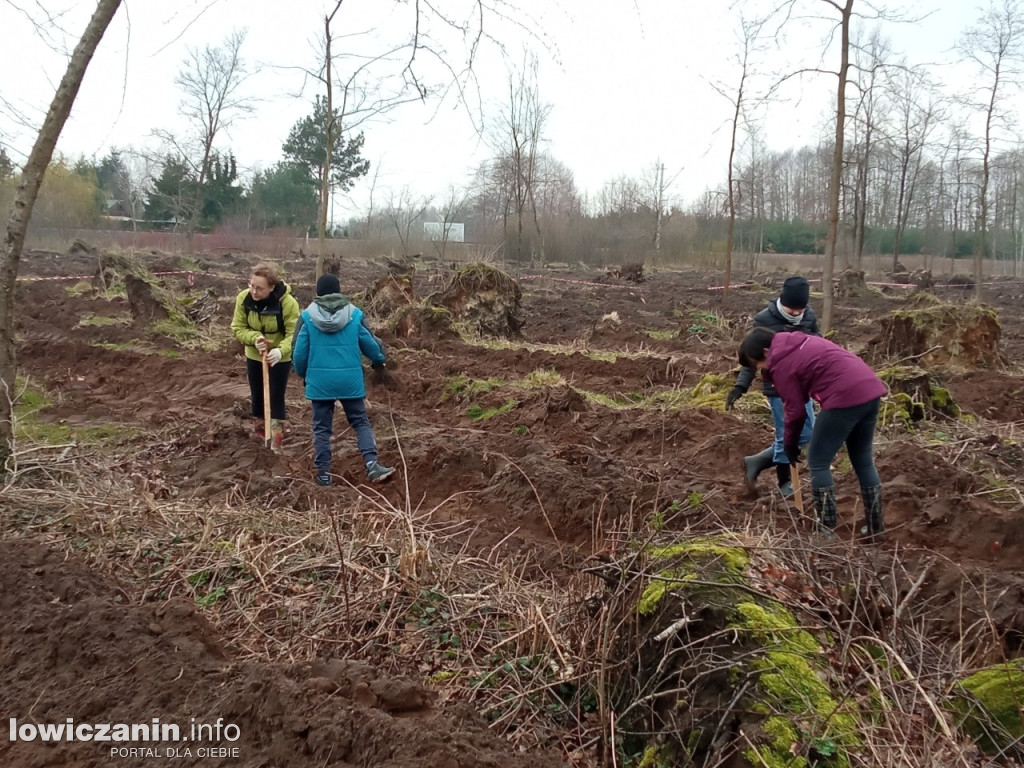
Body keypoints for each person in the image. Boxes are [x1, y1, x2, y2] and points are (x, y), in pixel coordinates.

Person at [737, 327, 889, 542]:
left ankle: (825, 531)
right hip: (870, 390)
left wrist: (789, 445)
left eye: (757, 364)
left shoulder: (781, 364)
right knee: (863, 461)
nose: (760, 370)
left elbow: (795, 410)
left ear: (764, 351)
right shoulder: (802, 341)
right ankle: (876, 528)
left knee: (818, 461)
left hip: (843, 398)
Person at [292, 273, 396, 487]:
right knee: (360, 422)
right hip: (349, 381)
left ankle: (323, 475)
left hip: (320, 382)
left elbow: (299, 352)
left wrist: (303, 374)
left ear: (318, 293)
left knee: (322, 428)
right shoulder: (354, 314)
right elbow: (371, 343)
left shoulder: (307, 317)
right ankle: (372, 465)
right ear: (339, 291)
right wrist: (379, 361)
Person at [726, 276, 819, 497]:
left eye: (800, 309)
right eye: (791, 309)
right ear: (781, 300)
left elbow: (818, 344)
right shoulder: (764, 319)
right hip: (777, 387)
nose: (796, 313)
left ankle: (756, 462)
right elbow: (752, 356)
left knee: (807, 434)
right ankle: (785, 481)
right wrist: (740, 387)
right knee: (786, 435)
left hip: (804, 385)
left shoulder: (810, 317)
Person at [230, 263, 300, 451]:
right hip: (255, 354)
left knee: (276, 396)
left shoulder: (287, 303)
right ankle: (261, 435)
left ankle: (276, 440)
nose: (254, 291)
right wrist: (254, 338)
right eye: (252, 285)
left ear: (271, 287)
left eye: (259, 288)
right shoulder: (243, 299)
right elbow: (238, 328)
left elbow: (294, 333)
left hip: (279, 356)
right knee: (257, 395)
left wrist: (280, 351)